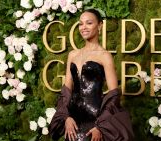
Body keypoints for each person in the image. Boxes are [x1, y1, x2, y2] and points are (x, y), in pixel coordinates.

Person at [49, 9, 134, 141]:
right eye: (80, 24)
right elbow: (66, 91)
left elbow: (114, 94)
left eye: (89, 23)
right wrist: (66, 117)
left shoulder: (105, 56)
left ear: (100, 25)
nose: (83, 27)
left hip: (94, 121)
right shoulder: (73, 55)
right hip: (73, 120)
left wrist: (100, 126)